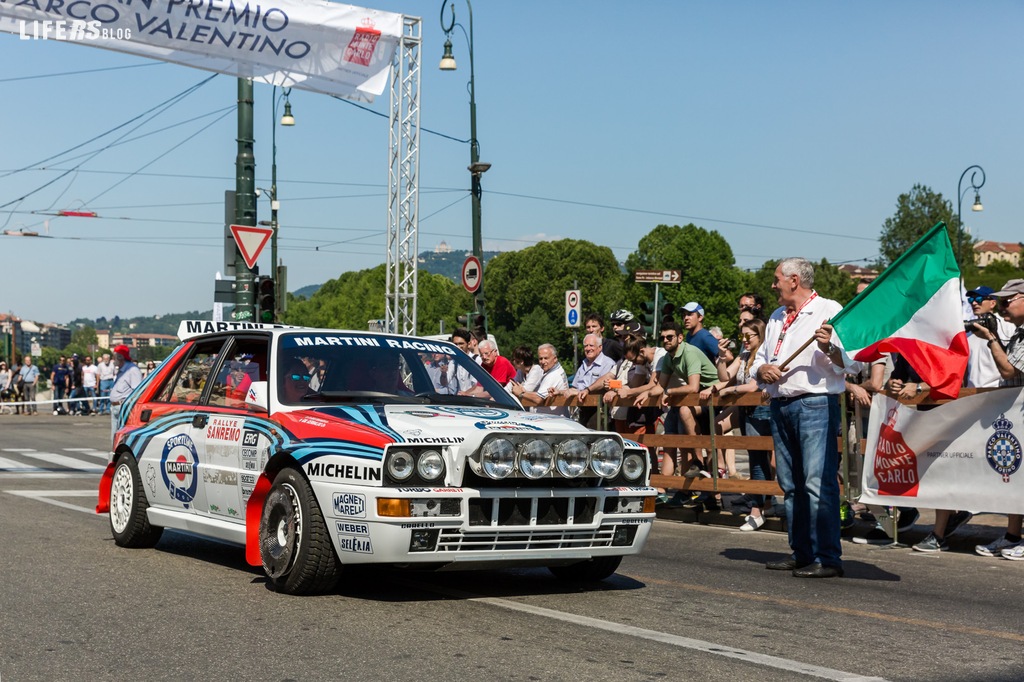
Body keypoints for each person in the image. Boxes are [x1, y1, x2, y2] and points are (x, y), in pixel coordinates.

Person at [755, 257, 849, 578]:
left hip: (816, 404)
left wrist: (831, 349)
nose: (773, 285)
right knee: (791, 484)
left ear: (794, 280)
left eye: (777, 279)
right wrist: (761, 369)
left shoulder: (829, 310)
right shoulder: (776, 316)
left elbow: (852, 362)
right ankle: (802, 552)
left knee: (816, 481)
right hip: (781, 404)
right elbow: (761, 359)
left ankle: (827, 556)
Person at [968, 278, 1024, 560]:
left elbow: (1008, 371)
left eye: (1007, 300)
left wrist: (990, 340)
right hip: (1016, 415)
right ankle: (1013, 535)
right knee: (1015, 478)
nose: (1002, 306)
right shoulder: (1017, 332)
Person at [699, 318, 772, 529]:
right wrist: (721, 358)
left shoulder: (765, 355)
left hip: (763, 410)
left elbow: (751, 387)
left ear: (760, 335)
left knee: (766, 461)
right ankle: (760, 508)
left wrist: (730, 390)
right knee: (756, 459)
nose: (745, 340)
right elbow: (726, 375)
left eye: (749, 335)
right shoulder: (743, 355)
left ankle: (762, 508)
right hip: (748, 410)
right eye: (743, 336)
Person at [554, 333, 616, 428]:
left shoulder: (608, 363)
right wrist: (559, 392)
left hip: (599, 411)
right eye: (585, 346)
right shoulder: (583, 364)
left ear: (600, 347)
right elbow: (576, 389)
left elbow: (604, 385)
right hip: (582, 411)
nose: (588, 348)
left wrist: (587, 390)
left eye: (591, 345)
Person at [510, 343, 569, 416]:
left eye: (546, 358)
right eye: (540, 358)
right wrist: (524, 392)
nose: (543, 362)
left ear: (555, 359)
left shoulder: (553, 375)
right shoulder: (553, 371)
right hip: (550, 419)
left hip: (552, 421)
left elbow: (538, 399)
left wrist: (521, 393)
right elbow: (540, 394)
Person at [109, 345, 143, 442]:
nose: (113, 360)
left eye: (114, 357)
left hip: (123, 407)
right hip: (116, 407)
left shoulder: (132, 370)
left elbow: (137, 391)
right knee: (114, 436)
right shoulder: (120, 370)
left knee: (121, 437)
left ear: (120, 357)